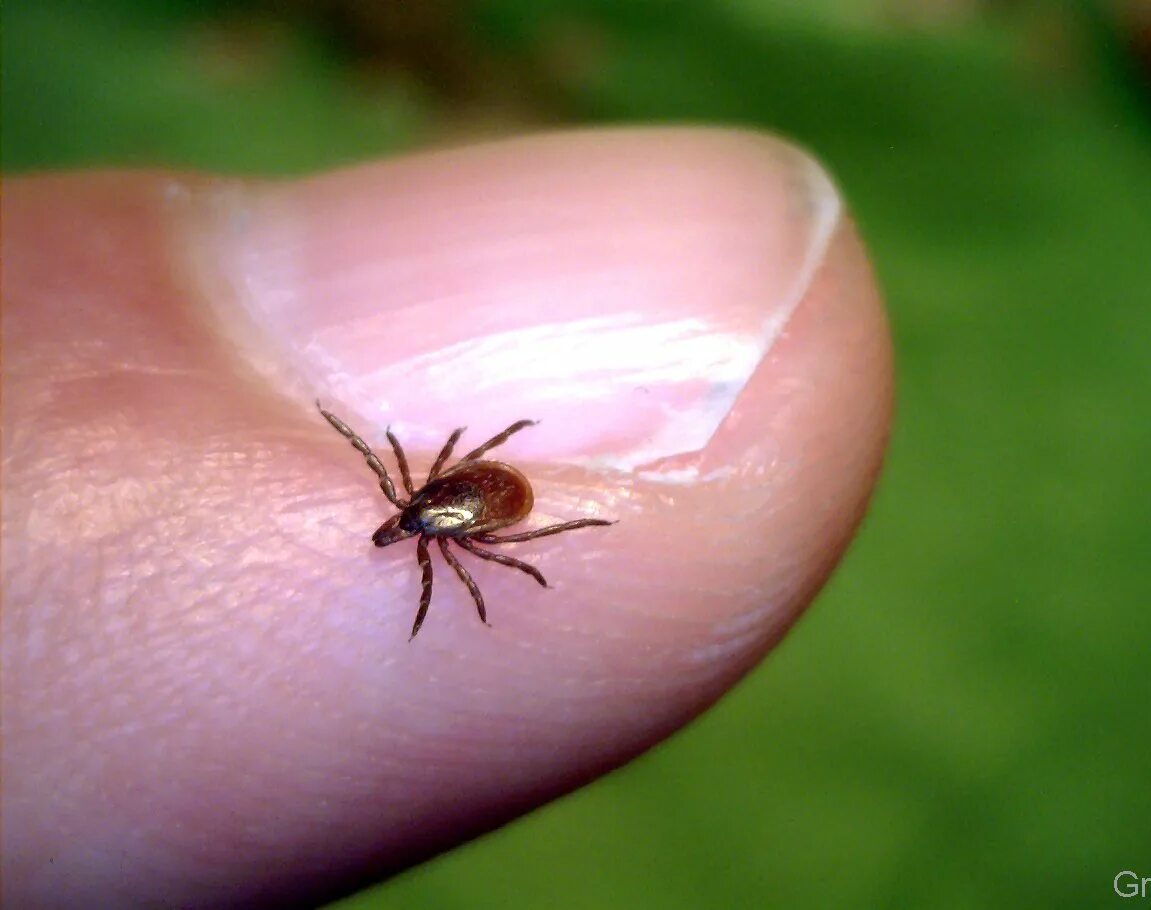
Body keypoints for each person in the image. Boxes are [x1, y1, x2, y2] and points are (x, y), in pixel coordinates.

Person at [1, 127, 893, 907]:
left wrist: (521, 528)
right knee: (502, 542)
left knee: (508, 542)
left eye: (403, 524)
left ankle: (564, 529)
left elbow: (442, 482)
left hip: (496, 486)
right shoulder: (425, 504)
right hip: (493, 485)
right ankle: (555, 527)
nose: (396, 529)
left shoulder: (429, 511)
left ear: (417, 514)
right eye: (404, 527)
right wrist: (464, 500)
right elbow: (438, 472)